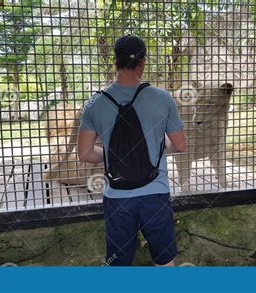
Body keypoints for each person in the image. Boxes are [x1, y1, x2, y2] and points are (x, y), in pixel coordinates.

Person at [77, 34, 186, 266]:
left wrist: (112, 154)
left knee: (119, 266)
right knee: (165, 263)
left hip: (117, 197)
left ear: (115, 60)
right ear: (143, 62)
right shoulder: (163, 98)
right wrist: (157, 147)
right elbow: (179, 144)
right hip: (155, 195)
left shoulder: (94, 103)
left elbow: (85, 154)